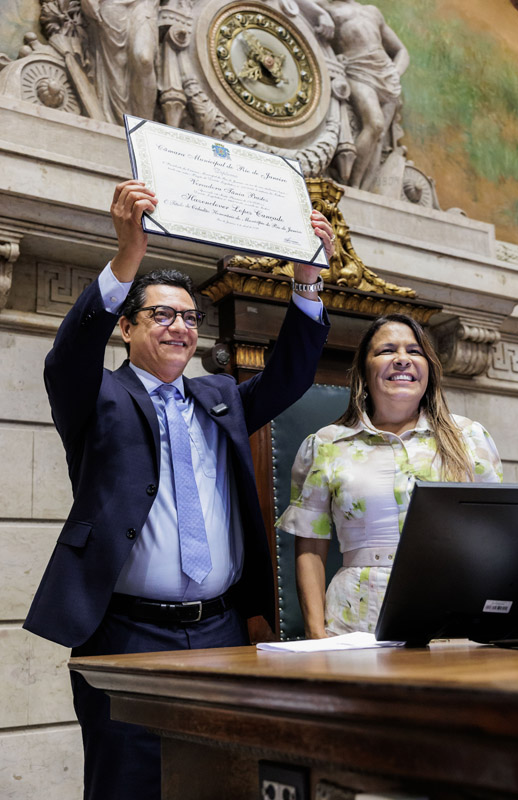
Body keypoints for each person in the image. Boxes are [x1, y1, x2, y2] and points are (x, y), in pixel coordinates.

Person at [23, 179, 333, 800]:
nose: (179, 328)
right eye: (161, 314)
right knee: (127, 784)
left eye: (189, 318)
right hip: (124, 633)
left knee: (217, 781)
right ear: (126, 328)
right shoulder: (97, 396)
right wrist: (126, 255)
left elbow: (291, 375)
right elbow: (68, 356)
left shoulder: (219, 399)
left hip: (220, 630)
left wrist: (305, 281)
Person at [277, 313, 503, 639]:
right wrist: (316, 635)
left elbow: (495, 536)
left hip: (452, 614)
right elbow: (310, 547)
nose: (402, 360)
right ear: (364, 373)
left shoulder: (470, 438)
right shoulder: (325, 445)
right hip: (354, 619)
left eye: (414, 351)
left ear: (429, 369)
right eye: (386, 350)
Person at [317, 0, 409, 190]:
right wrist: (320, 16)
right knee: (375, 124)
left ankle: (361, 189)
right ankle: (349, 185)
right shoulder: (324, 6)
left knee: (379, 137)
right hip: (356, 68)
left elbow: (401, 51)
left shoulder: (371, 11)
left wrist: (396, 73)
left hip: (386, 74)